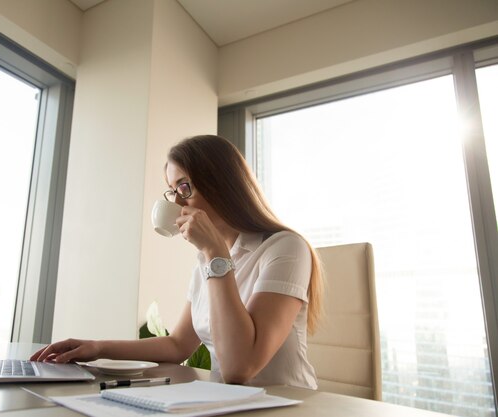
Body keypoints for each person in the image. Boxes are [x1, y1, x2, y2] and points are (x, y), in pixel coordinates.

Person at [31, 134, 323, 388]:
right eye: (173, 191)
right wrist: (96, 347)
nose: (178, 204)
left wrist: (215, 254)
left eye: (185, 187)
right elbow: (178, 344)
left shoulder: (285, 248)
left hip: (287, 404)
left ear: (222, 183)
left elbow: (239, 368)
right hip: (230, 403)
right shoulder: (207, 261)